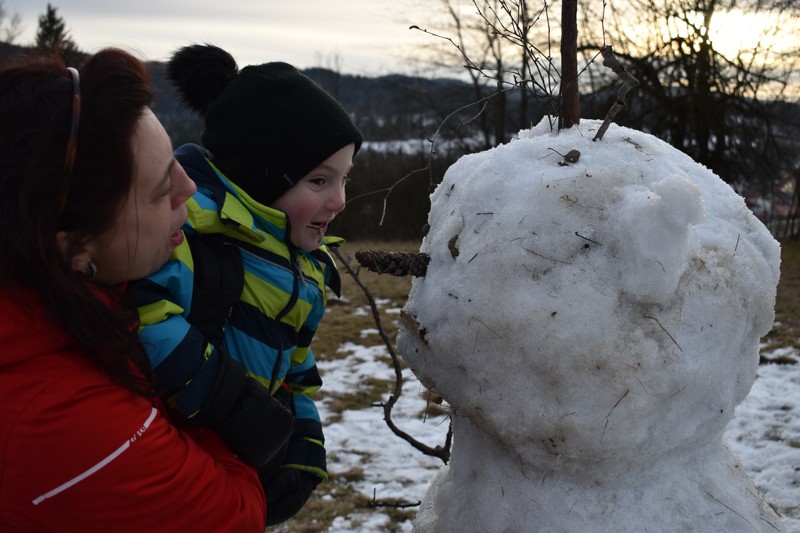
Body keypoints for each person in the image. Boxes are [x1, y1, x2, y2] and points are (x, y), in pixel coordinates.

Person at [0, 49, 268, 530]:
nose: (189, 185)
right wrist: (212, 397)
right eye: (161, 187)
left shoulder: (55, 302)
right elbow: (235, 513)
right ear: (75, 250)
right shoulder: (66, 426)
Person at [128, 44, 363, 525]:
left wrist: (303, 439)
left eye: (344, 179)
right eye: (319, 181)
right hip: (176, 462)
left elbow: (296, 359)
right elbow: (143, 314)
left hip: (245, 463)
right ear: (259, 178)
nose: (339, 200)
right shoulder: (190, 232)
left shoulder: (305, 263)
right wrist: (227, 398)